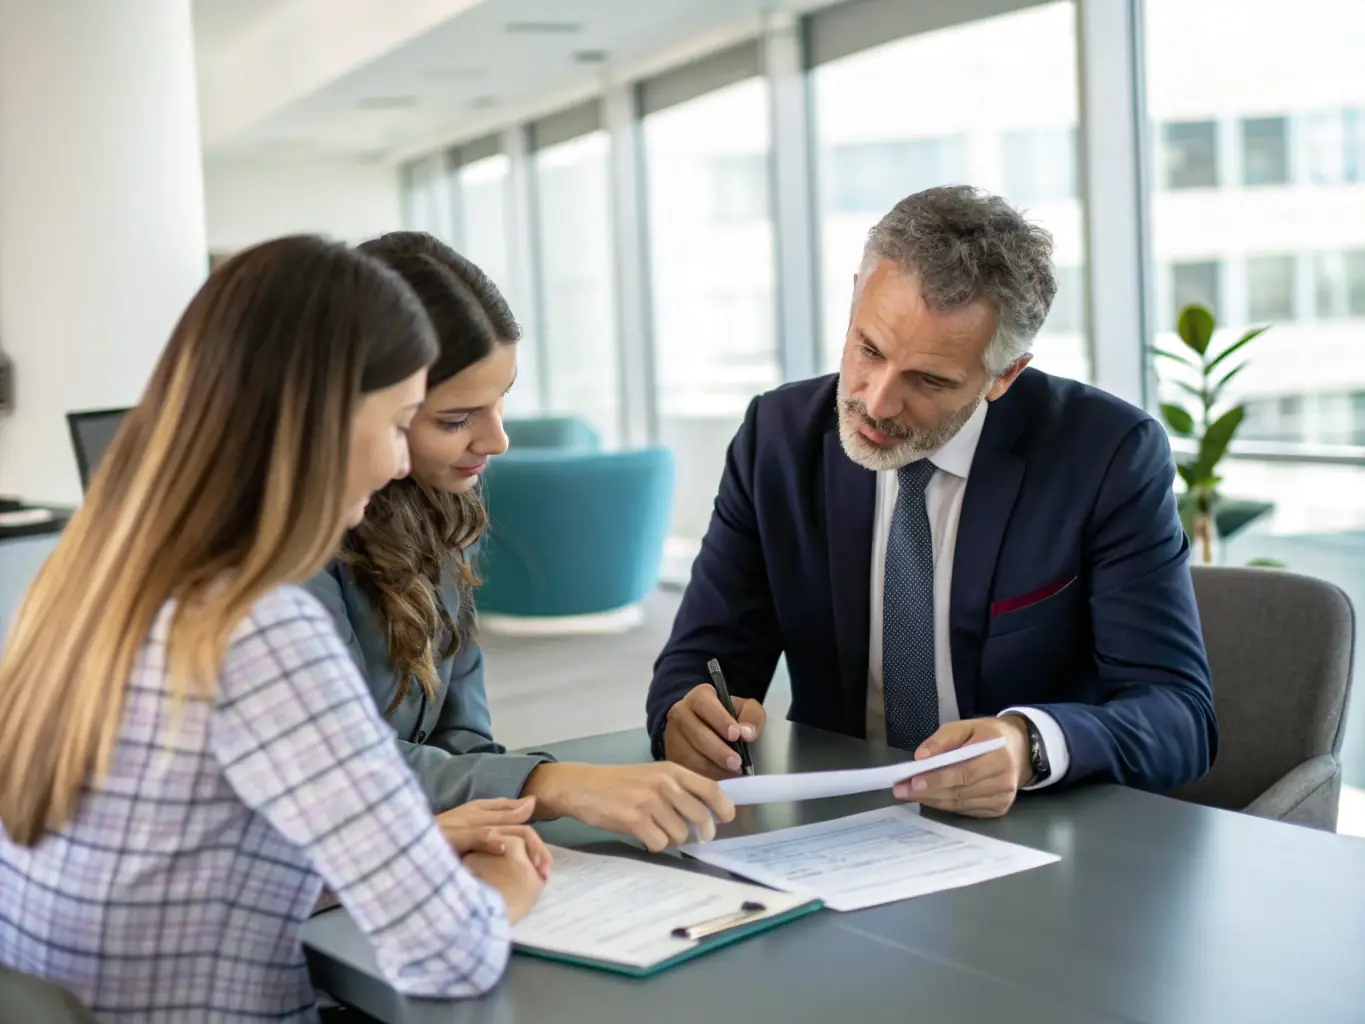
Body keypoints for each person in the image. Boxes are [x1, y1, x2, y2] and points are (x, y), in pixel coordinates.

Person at [0, 236, 548, 1020]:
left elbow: (180, 864)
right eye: (400, 423)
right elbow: (445, 954)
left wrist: (411, 846)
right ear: (320, 419)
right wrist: (505, 884)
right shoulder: (256, 626)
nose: (399, 465)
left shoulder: (87, 580)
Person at [648, 186, 1217, 817]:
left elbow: (1179, 715)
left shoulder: (1106, 455)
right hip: (838, 822)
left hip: (1029, 838)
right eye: (869, 349)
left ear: (1005, 375)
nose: (877, 401)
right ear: (855, 299)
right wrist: (687, 713)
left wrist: (1027, 743)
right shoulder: (778, 439)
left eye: (929, 379)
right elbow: (701, 659)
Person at [306, 231, 734, 853]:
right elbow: (335, 769)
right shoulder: (284, 549)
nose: (498, 440)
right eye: (454, 419)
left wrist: (520, 796)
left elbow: (463, 738)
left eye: (501, 400)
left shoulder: (440, 505)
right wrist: (555, 784)